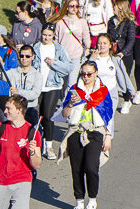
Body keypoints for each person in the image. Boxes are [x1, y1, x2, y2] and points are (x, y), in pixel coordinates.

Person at [60, 60, 114, 209]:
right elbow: (64, 114)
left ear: (96, 73)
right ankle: (79, 202)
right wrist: (70, 103)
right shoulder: (74, 91)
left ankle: (92, 200)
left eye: (89, 74)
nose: (86, 77)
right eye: (83, 74)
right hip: (76, 131)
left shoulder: (103, 92)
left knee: (91, 167)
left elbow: (109, 115)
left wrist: (108, 136)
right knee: (76, 169)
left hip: (95, 132)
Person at [34, 24, 75, 158]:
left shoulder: (58, 48)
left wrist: (54, 64)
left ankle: (49, 146)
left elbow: (69, 67)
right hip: (37, 86)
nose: (46, 37)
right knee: (35, 116)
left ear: (53, 36)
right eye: (44, 34)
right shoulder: (36, 47)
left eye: (49, 35)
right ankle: (37, 143)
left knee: (48, 115)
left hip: (53, 85)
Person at [89, 33, 133, 110]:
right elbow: (85, 73)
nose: (102, 45)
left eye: (105, 43)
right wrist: (91, 59)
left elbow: (124, 75)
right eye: (99, 43)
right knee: (98, 120)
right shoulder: (92, 59)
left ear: (110, 45)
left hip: (111, 92)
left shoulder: (116, 60)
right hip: (96, 94)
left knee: (109, 120)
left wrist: (131, 90)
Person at [108, 0, 138, 114]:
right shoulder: (111, 21)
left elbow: (131, 40)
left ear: (121, 9)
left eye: (115, 7)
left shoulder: (129, 22)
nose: (113, 9)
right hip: (113, 54)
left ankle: (126, 100)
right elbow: (108, 36)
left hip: (125, 55)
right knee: (114, 78)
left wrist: (123, 52)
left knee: (124, 77)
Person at [50, 0, 91, 80]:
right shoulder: (60, 22)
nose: (74, 9)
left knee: (71, 82)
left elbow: (86, 37)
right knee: (62, 82)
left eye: (77, 6)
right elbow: (57, 40)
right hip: (63, 56)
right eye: (72, 6)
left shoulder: (82, 22)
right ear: (67, 7)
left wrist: (87, 48)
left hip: (76, 55)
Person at [6, 45, 44, 113]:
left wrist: (18, 92)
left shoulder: (37, 75)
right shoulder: (13, 72)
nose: (24, 58)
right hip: (15, 108)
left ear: (32, 57)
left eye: (27, 56)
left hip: (30, 108)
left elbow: (34, 94)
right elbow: (1, 75)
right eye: (21, 56)